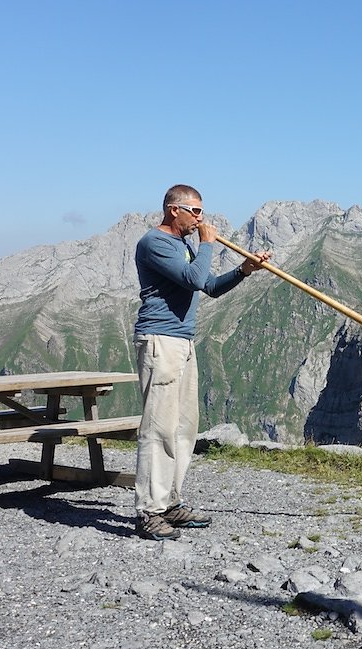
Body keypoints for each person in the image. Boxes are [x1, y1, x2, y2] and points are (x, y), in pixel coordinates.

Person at [132, 184, 271, 541]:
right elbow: (193, 279)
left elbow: (208, 285)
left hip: (182, 341)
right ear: (172, 209)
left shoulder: (183, 246)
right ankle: (149, 510)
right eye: (195, 212)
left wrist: (243, 271)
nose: (201, 219)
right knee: (158, 428)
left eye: (202, 213)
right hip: (160, 341)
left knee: (183, 427)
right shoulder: (155, 243)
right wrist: (208, 243)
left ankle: (170, 502)